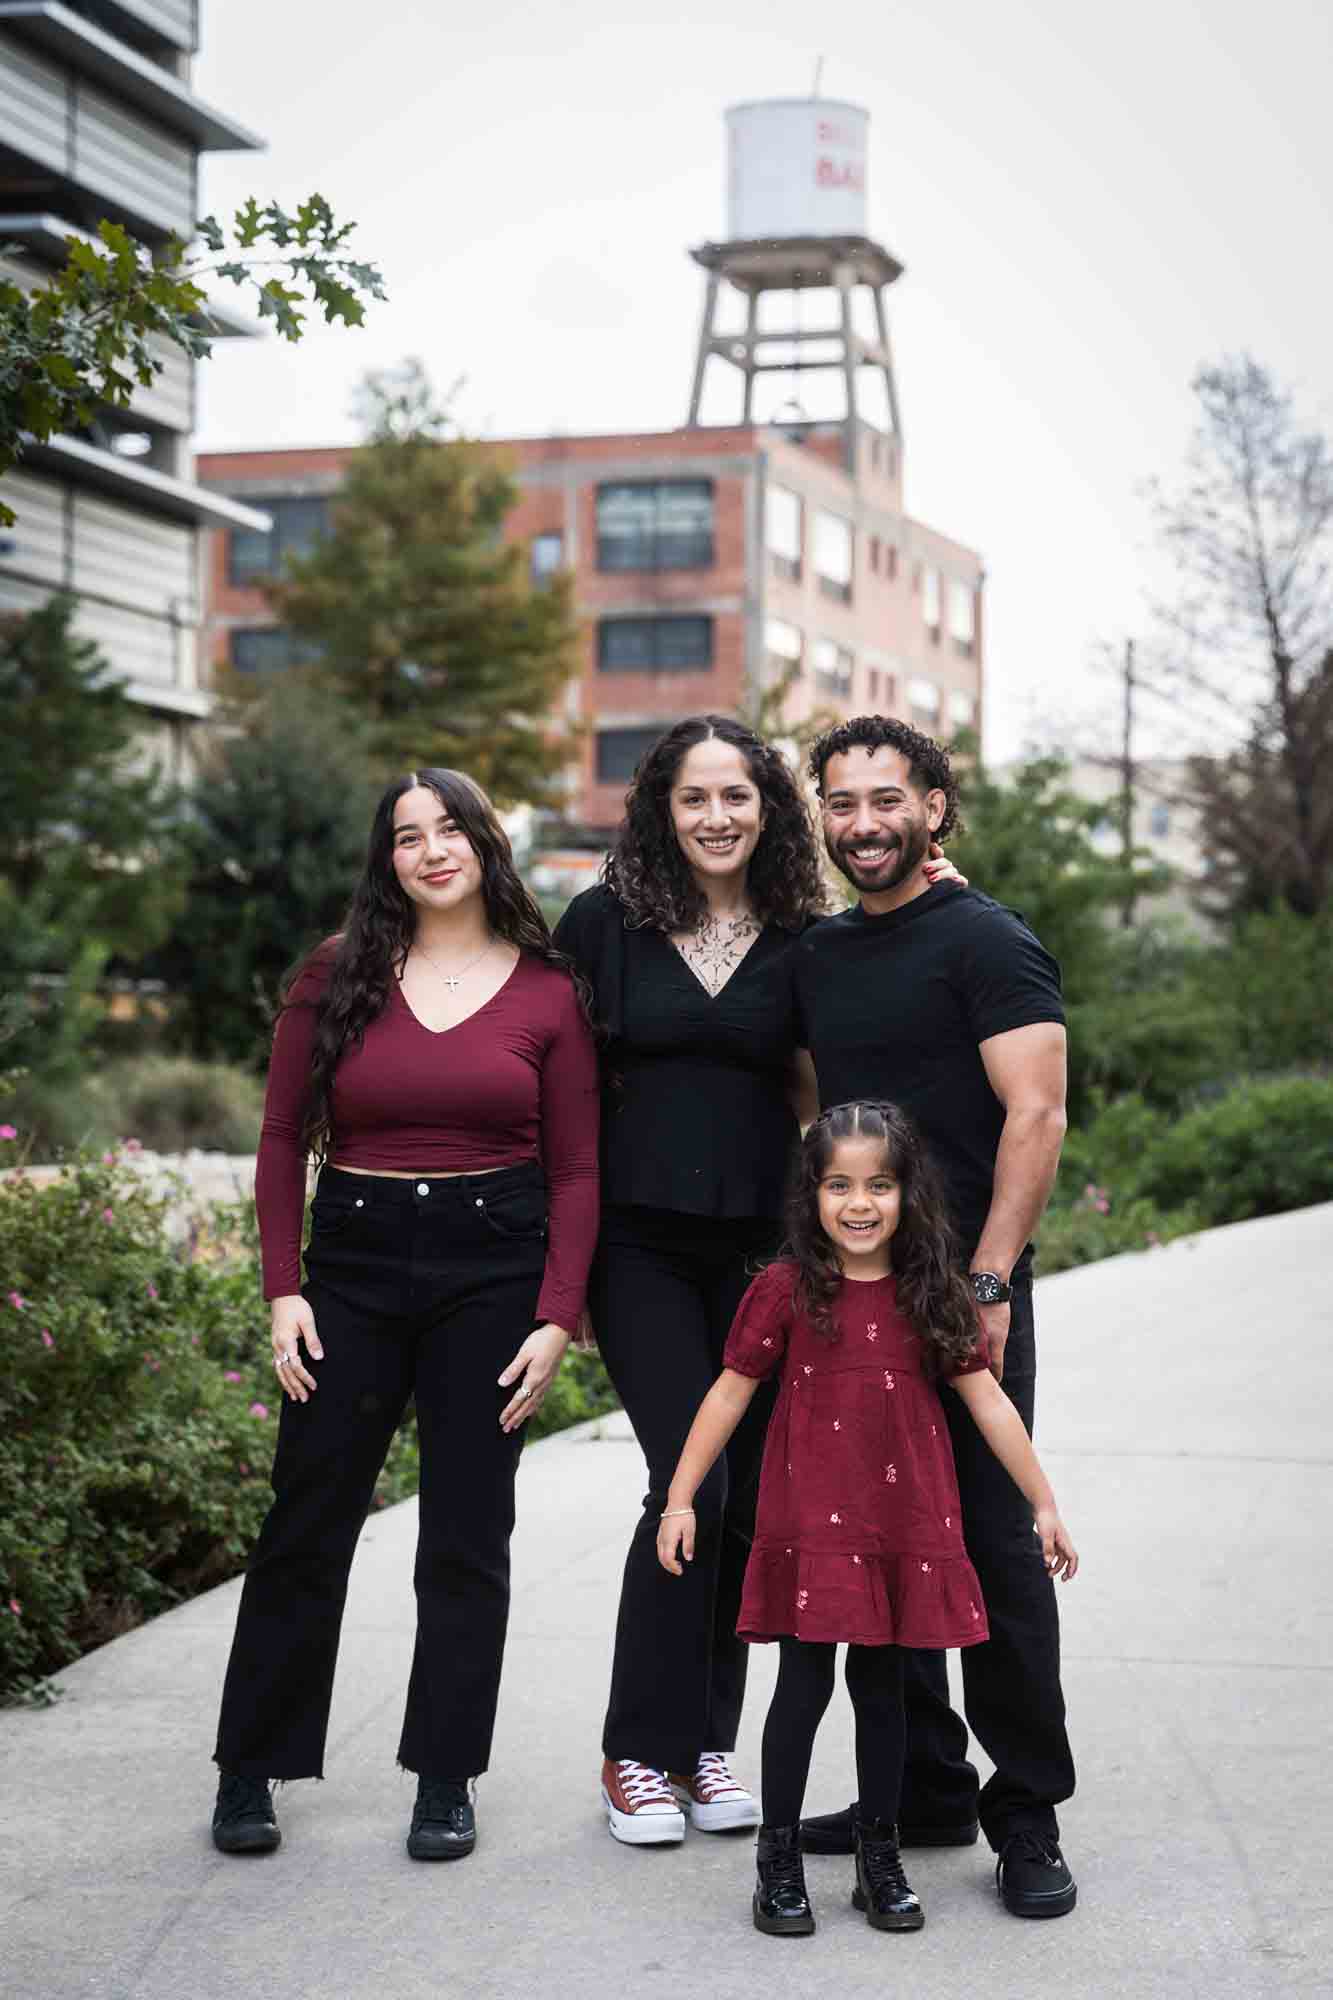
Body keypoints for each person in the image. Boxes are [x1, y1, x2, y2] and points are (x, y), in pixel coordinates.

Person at [554, 713, 965, 1846]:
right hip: (636, 1245)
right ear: (661, 810)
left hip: (765, 1253)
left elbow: (828, 1076)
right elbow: (558, 1092)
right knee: (689, 1481)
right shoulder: (603, 924)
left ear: (768, 809)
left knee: (751, 1496)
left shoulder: (804, 937)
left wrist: (945, 893)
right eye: (694, 798)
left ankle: (702, 1745)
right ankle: (635, 1750)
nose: (717, 816)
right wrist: (563, 1270)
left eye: (738, 795)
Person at [209, 768, 599, 1863]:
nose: (430, 849)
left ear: (484, 842)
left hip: (494, 1267)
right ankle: (252, 1763)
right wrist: (283, 1286)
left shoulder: (547, 992)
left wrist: (555, 1315)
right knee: (306, 1515)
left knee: (468, 1533)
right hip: (354, 1264)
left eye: (449, 829)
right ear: (386, 857)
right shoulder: (334, 975)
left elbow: (576, 1168)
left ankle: (445, 1776)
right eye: (405, 834)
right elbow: (283, 1137)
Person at [657, 1101, 1078, 1939]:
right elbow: (729, 1392)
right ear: (810, 1194)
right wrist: (679, 1497)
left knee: (883, 1694)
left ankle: (877, 1859)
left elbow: (987, 1401)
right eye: (839, 1184)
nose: (859, 1203)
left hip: (900, 1527)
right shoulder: (783, 1289)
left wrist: (1042, 1501)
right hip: (812, 1527)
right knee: (802, 1689)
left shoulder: (930, 1289)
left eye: (879, 1185)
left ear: (906, 1193)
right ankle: (776, 1861)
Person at [792, 715, 1079, 1920]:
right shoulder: (818, 954)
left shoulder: (988, 939)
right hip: (854, 1290)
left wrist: (992, 1279)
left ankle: (1025, 1814)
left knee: (998, 1551)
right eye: (842, 802)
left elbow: (1037, 1115)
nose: (864, 822)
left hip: (961, 1289)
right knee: (881, 1540)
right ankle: (922, 1783)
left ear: (935, 806)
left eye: (886, 799)